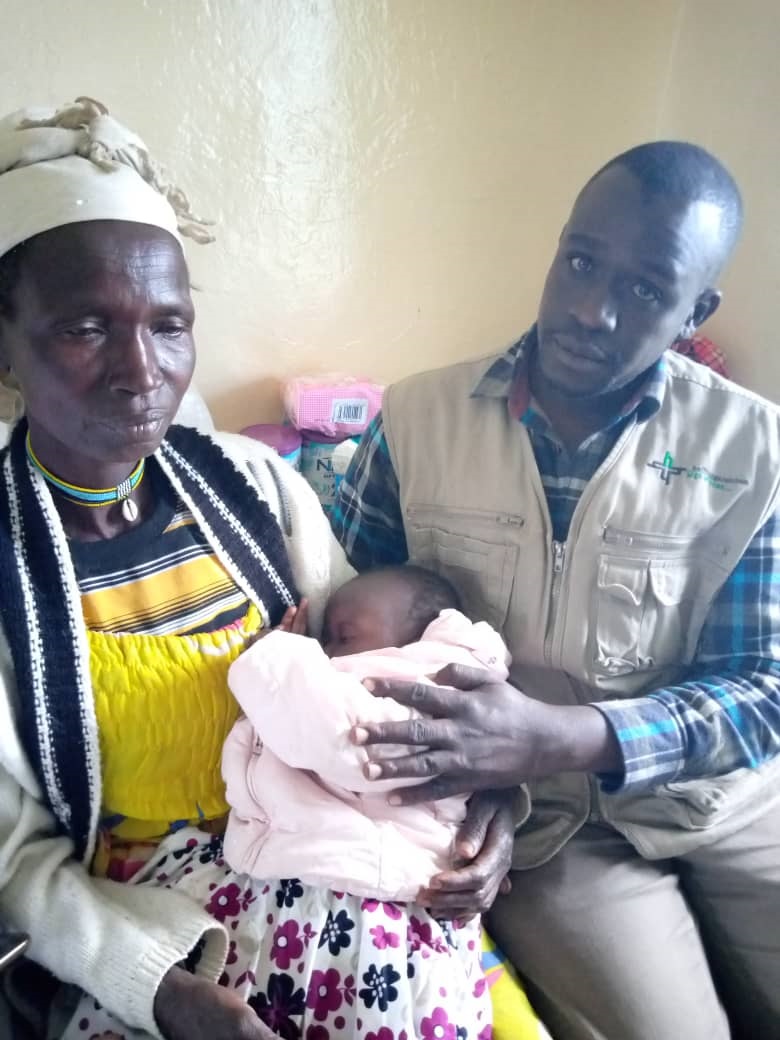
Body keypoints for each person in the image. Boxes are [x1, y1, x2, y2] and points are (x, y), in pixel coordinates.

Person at [0, 98, 515, 1040]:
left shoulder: (255, 487)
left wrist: (488, 802)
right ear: (4, 341)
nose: (141, 370)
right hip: (144, 935)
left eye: (169, 324)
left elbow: (394, 673)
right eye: (84, 328)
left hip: (347, 873)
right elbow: (11, 862)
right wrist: (153, 986)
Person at [332, 141, 780, 1040]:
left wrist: (572, 734)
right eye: (580, 261)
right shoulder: (415, 422)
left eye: (647, 290)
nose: (589, 310)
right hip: (543, 826)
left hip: (724, 799)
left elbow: (764, 693)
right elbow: (348, 649)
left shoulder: (755, 453)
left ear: (699, 309)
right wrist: (474, 801)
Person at [223, 565, 511, 901]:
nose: (326, 650)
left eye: (344, 637)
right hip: (320, 867)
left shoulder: (424, 691)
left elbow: (346, 745)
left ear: (419, 640)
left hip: (358, 891)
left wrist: (274, 657)